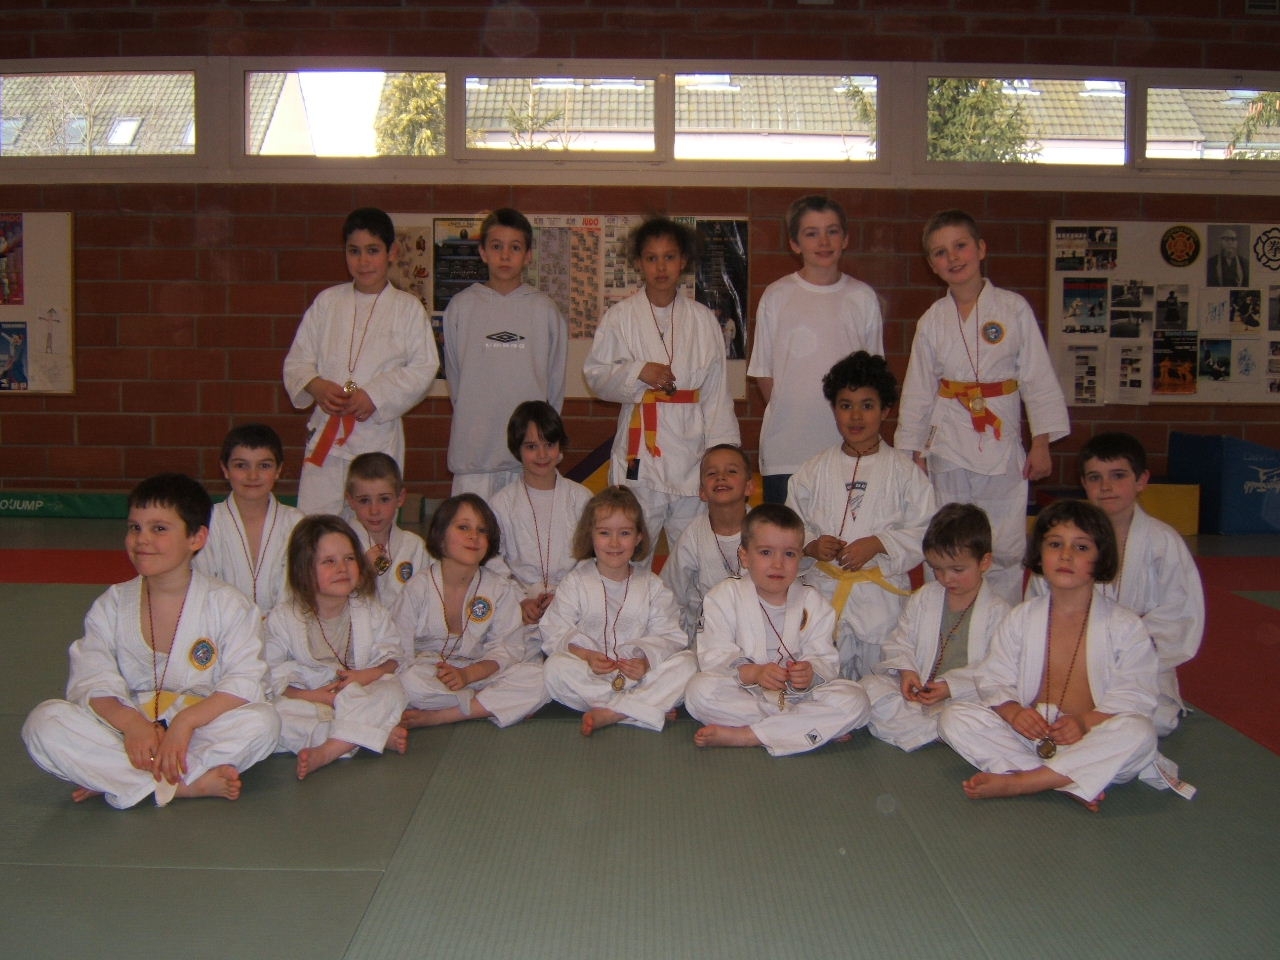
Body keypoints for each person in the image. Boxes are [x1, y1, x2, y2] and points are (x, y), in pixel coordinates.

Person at [22, 474, 278, 808]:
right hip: (129, 728)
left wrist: (184, 723)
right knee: (43, 723)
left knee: (264, 723)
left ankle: (119, 777)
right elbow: (92, 679)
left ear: (196, 537)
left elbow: (245, 682)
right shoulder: (112, 604)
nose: (142, 539)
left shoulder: (229, 605)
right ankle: (181, 785)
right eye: (134, 527)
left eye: (159, 528)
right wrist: (133, 725)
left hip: (198, 728)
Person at [937, 500, 1166, 812]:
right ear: (1040, 553)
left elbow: (1136, 697)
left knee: (1139, 733)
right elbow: (993, 679)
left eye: (1081, 547)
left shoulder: (1125, 626)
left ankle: (1023, 781)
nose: (1066, 555)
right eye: (1055, 544)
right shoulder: (1021, 618)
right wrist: (1014, 712)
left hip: (1091, 740)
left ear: (1102, 557)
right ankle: (1066, 780)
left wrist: (1084, 723)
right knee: (954, 718)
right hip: (1030, 737)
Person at [896, 210, 1070, 605]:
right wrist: (913, 451)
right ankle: (943, 619)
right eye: (940, 252)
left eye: (960, 246)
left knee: (1003, 542)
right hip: (948, 443)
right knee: (946, 536)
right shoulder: (932, 320)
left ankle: (1002, 626)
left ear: (981, 249)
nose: (953, 258)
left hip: (1000, 440)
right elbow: (918, 389)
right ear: (931, 264)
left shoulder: (1013, 309)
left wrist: (1041, 442)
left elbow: (1037, 376)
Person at [1025, 432, 1203, 736]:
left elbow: (1180, 615)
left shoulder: (1163, 542)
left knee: (1156, 720)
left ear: (1141, 480)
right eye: (1095, 477)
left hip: (1138, 663)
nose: (1105, 486)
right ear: (1083, 483)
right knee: (1044, 713)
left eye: (1118, 475)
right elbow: (1037, 608)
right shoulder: (1062, 541)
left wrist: (1120, 648)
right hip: (1071, 660)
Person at [583, 216, 739, 559]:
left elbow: (716, 394)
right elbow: (596, 375)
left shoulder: (703, 320)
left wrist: (722, 455)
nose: (661, 267)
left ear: (683, 261)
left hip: (691, 450)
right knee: (632, 548)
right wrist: (639, 370)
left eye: (669, 257)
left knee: (694, 552)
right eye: (652, 258)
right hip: (641, 451)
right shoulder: (620, 317)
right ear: (639, 263)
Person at [787, 351, 936, 679]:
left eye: (867, 405)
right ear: (834, 409)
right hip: (824, 593)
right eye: (846, 405)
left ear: (885, 410)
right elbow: (791, 526)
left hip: (880, 601)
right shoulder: (812, 471)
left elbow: (925, 530)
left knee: (881, 686)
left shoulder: (905, 472)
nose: (855, 416)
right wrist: (811, 546)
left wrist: (879, 543)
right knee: (821, 683)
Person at [283, 206, 438, 515]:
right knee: (318, 526)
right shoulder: (327, 302)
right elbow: (297, 361)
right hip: (327, 439)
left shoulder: (407, 309)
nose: (363, 261)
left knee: (371, 525)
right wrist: (316, 385)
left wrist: (375, 395)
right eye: (354, 251)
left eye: (373, 250)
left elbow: (424, 368)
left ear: (392, 252)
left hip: (375, 437)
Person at [685, 503, 870, 755]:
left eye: (789, 554)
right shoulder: (723, 596)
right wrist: (755, 673)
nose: (778, 564)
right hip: (746, 693)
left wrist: (809, 673)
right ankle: (806, 728)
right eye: (766, 552)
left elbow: (825, 659)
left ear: (800, 558)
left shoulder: (813, 602)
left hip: (799, 696)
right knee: (699, 691)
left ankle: (748, 735)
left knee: (856, 698)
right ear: (744, 556)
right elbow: (715, 656)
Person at [748, 195, 885, 504]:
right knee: (785, 535)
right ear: (794, 243)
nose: (823, 242)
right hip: (787, 452)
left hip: (848, 449)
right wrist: (796, 417)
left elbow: (873, 380)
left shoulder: (862, 297)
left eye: (832, 231)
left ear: (845, 238)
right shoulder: (776, 295)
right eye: (811, 233)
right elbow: (764, 375)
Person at [540, 486, 697, 736]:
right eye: (604, 533)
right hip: (592, 675)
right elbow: (554, 631)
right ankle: (641, 708)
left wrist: (646, 661)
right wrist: (586, 656)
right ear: (590, 535)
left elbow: (670, 636)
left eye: (624, 533)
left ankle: (614, 712)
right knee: (554, 668)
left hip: (640, 676)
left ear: (638, 537)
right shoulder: (576, 582)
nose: (614, 543)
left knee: (688, 664)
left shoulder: (653, 585)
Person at [265, 515, 409, 780]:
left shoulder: (370, 611)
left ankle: (330, 749)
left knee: (392, 690)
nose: (342, 568)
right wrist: (315, 696)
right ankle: (370, 735)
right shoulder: (284, 618)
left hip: (359, 692)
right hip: (310, 699)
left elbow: (393, 657)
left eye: (349, 558)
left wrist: (366, 675)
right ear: (303, 570)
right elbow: (269, 675)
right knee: (271, 716)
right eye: (329, 561)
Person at [863, 503, 1011, 751]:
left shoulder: (999, 612)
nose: (946, 578)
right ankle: (940, 732)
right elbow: (900, 641)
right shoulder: (924, 597)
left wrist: (951, 687)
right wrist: (907, 671)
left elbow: (996, 670)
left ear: (984, 562)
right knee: (868, 688)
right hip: (918, 696)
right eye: (937, 569)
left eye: (957, 569)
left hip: (964, 699)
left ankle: (938, 728)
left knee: (973, 715)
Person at [392, 494, 547, 729]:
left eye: (482, 530)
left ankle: (443, 715)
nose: (474, 536)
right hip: (434, 674)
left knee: (541, 678)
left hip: (482, 672)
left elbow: (506, 649)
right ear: (440, 535)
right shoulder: (417, 588)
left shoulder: (499, 588)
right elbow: (399, 649)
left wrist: (468, 675)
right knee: (408, 682)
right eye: (463, 527)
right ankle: (485, 704)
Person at [445, 208, 568, 499]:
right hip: (475, 455)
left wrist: (540, 441)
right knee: (471, 527)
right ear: (483, 252)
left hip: (528, 459)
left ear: (528, 255)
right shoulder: (461, 307)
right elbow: (455, 379)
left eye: (515, 247)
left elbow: (554, 384)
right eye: (496, 246)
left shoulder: (544, 310)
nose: (505, 255)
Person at [487, 401, 592, 653]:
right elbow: (492, 561)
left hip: (573, 604)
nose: (542, 455)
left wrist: (564, 596)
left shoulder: (582, 498)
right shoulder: (501, 503)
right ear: (517, 449)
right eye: (531, 446)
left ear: (560, 446)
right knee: (511, 660)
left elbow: (591, 556)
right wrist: (521, 600)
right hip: (520, 606)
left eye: (549, 444)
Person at [194, 423, 304, 615]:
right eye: (241, 465)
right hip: (222, 626)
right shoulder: (207, 521)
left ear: (278, 470)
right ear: (225, 469)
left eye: (264, 465)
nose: (253, 476)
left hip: (284, 629)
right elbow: (201, 588)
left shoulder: (296, 523)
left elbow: (300, 591)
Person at [660, 443, 755, 648]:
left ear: (749, 486)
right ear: (702, 492)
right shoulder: (693, 535)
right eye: (712, 473)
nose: (721, 477)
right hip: (708, 639)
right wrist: (677, 643)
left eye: (731, 471)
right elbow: (669, 593)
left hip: (760, 632)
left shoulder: (766, 530)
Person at [344, 451, 427, 607]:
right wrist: (363, 573)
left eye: (384, 499)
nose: (374, 510)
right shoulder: (341, 546)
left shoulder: (414, 546)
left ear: (400, 498)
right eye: (364, 500)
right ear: (350, 500)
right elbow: (328, 602)